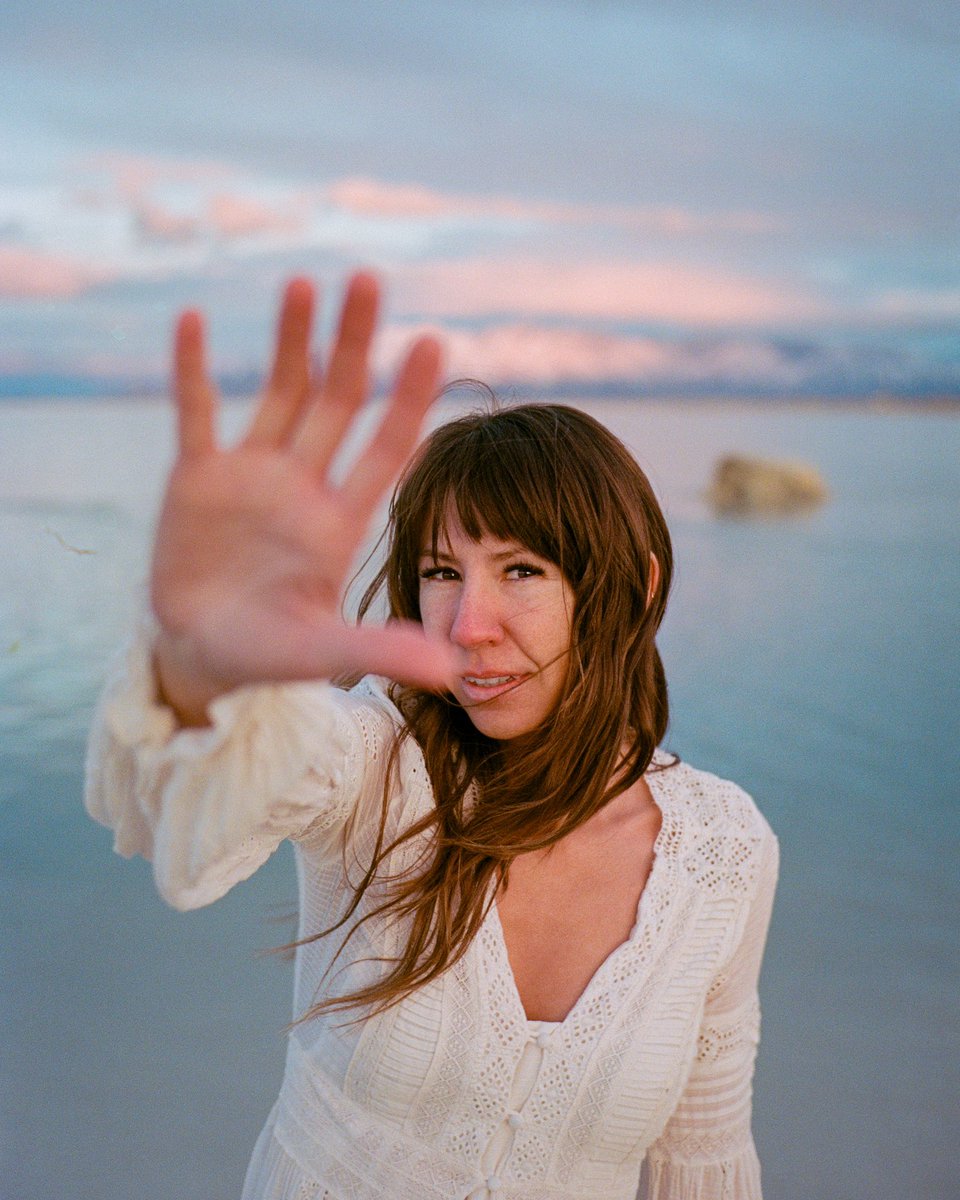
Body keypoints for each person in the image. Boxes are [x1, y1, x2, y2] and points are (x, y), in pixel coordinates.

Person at [85, 272, 778, 1200]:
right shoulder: (380, 766)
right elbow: (197, 808)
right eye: (441, 571)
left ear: (638, 587)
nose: (466, 624)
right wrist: (202, 663)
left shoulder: (725, 851)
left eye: (522, 569)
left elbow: (705, 1163)